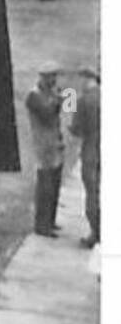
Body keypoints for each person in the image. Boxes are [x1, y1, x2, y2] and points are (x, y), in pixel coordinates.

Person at [25, 70, 65, 238]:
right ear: (44, 78)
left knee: (55, 184)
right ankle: (42, 225)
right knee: (45, 186)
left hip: (54, 143)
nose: (55, 81)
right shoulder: (34, 96)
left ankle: (50, 220)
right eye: (52, 78)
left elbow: (60, 116)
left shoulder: (51, 94)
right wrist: (58, 101)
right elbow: (47, 115)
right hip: (43, 146)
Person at [70, 71, 100, 248]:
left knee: (92, 193)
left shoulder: (82, 100)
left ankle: (96, 233)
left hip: (91, 151)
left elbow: (76, 129)